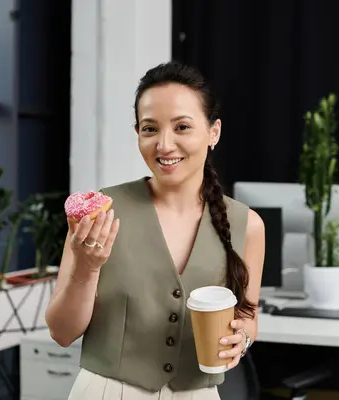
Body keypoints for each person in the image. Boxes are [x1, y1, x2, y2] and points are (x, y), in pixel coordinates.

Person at [45, 61, 265, 399]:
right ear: (138, 134)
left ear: (213, 132)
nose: (164, 144)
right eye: (150, 129)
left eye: (181, 127)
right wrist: (86, 269)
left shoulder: (247, 225)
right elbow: (61, 332)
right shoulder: (101, 210)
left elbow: (248, 317)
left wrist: (242, 339)